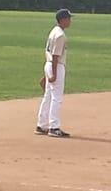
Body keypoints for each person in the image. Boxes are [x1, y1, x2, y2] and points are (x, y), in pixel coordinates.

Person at [35, 9, 73, 138]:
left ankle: (41, 125)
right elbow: (56, 55)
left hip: (49, 64)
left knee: (48, 96)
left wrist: (47, 72)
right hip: (56, 65)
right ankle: (54, 127)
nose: (70, 21)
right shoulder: (60, 35)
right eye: (68, 18)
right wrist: (54, 74)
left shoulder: (53, 31)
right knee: (56, 97)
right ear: (62, 20)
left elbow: (48, 52)